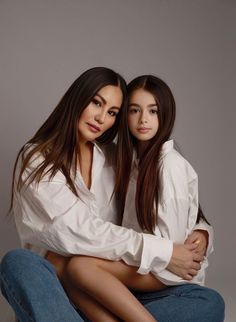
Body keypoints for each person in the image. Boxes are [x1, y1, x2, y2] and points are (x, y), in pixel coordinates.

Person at [0, 68, 223, 321]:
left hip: (108, 293)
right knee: (18, 263)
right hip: (56, 293)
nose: (101, 118)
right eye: (97, 103)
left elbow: (173, 203)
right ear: (78, 99)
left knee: (209, 301)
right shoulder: (37, 158)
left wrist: (203, 233)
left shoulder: (116, 158)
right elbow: (74, 231)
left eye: (113, 113)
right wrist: (162, 251)